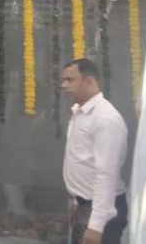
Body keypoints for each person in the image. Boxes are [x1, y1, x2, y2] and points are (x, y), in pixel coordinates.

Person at [60, 59, 129, 244]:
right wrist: (78, 202)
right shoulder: (80, 112)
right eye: (63, 80)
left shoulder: (105, 119)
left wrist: (96, 225)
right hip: (86, 206)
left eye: (70, 80)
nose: (64, 85)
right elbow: (83, 161)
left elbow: (106, 174)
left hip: (102, 211)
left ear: (89, 81)